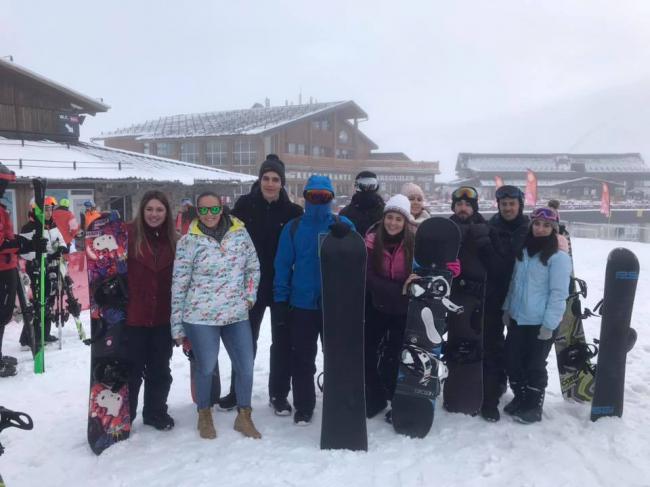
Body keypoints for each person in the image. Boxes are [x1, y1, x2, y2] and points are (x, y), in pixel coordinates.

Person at [171, 191, 261, 440]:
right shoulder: (188, 240)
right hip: (200, 316)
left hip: (235, 313)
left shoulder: (239, 233)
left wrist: (249, 296)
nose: (209, 215)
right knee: (206, 366)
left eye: (214, 209)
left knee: (246, 366)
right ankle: (204, 414)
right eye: (204, 210)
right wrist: (177, 326)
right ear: (197, 212)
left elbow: (252, 266)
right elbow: (179, 284)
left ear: (222, 209)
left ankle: (244, 416)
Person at [219, 154, 303, 415]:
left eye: (275, 179)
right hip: (249, 287)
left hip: (281, 287)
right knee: (244, 342)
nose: (270, 183)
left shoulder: (293, 212)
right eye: (266, 178)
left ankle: (279, 395)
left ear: (282, 183)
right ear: (259, 180)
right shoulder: (244, 206)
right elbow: (226, 238)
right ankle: (237, 392)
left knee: (282, 342)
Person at [273, 175, 354, 425]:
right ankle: (304, 405)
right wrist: (280, 300)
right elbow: (283, 265)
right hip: (303, 304)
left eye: (324, 196)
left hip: (334, 304)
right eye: (313, 196)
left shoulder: (343, 224)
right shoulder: (294, 227)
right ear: (305, 197)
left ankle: (337, 398)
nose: (318, 200)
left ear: (331, 198)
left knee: (336, 356)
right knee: (303, 359)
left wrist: (348, 233)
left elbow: (357, 258)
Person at [502, 207, 571, 424]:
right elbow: (514, 284)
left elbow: (559, 293)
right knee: (512, 361)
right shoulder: (524, 252)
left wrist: (549, 324)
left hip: (540, 322)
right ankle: (521, 396)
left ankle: (533, 404)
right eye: (537, 224)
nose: (540, 229)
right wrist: (507, 308)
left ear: (553, 229)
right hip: (518, 317)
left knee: (534, 364)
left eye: (546, 225)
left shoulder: (558, 258)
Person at [126, 190, 176, 431]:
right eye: (149, 209)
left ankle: (155, 412)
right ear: (141, 211)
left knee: (159, 368)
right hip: (134, 316)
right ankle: (125, 414)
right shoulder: (127, 236)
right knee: (132, 369)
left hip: (163, 317)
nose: (154, 214)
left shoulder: (175, 241)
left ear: (166, 213)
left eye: (159, 210)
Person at [444, 186, 495, 415]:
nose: (463, 208)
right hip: (452, 298)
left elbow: (497, 264)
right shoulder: (446, 230)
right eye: (459, 204)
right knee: (455, 344)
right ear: (453, 206)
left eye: (467, 205)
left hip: (478, 299)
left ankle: (484, 391)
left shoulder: (486, 229)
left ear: (474, 207)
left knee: (480, 346)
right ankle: (455, 391)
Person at [363, 194, 415, 419]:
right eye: (390, 217)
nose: (393, 223)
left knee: (394, 356)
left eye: (398, 219)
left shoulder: (414, 243)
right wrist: (397, 288)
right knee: (368, 352)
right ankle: (374, 397)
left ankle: (396, 399)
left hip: (403, 310)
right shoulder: (372, 242)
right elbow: (367, 275)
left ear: (405, 222)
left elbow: (423, 271)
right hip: (378, 305)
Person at [482, 185, 530, 422]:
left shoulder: (531, 229)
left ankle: (522, 392)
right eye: (504, 204)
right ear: (498, 206)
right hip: (494, 296)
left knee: (518, 348)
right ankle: (494, 388)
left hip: (522, 298)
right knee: (492, 344)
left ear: (519, 205)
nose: (508, 208)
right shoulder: (490, 228)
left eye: (512, 204)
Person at [0, 163, 46, 377]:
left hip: (8, 267)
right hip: (2, 269)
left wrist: (29, 243)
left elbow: (8, 239)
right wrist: (24, 245)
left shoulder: (1, 210)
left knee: (4, 314)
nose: (4, 188)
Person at [19, 196, 67, 346]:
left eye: (50, 209)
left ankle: (44, 334)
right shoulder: (29, 227)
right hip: (36, 267)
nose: (49, 212)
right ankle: (28, 338)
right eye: (46, 209)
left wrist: (60, 247)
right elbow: (24, 251)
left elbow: (61, 240)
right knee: (40, 301)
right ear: (36, 210)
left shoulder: (51, 225)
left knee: (50, 300)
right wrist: (45, 255)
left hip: (51, 265)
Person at [339, 171, 385, 236]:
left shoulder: (385, 212)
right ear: (357, 187)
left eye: (371, 186)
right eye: (363, 186)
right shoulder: (346, 213)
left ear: (376, 187)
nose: (367, 189)